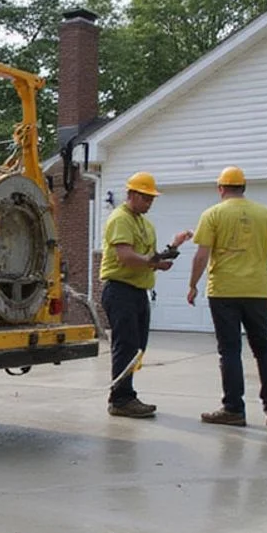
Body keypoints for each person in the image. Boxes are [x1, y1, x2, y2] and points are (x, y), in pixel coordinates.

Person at [186, 166, 267, 428]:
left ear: (221, 188)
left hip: (224, 292)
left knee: (230, 350)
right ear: (243, 187)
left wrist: (193, 284)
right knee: (264, 349)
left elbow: (201, 255)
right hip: (256, 292)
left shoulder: (212, 214)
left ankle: (233, 408)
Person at [99, 171, 191, 419]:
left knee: (138, 347)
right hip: (120, 289)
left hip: (138, 291)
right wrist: (154, 264)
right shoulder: (121, 219)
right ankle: (120, 399)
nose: (149, 202)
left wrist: (172, 248)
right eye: (145, 197)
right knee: (126, 345)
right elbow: (126, 256)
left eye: (152, 198)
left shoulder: (144, 223)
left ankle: (126, 395)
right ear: (131, 194)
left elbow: (149, 257)